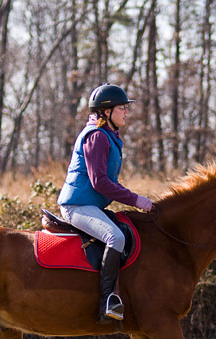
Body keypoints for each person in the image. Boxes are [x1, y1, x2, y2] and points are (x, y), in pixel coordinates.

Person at [58, 83, 153, 323]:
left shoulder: (109, 135)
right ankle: (107, 301)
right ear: (106, 111)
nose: (126, 112)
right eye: (122, 108)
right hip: (76, 206)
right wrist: (136, 200)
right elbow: (99, 182)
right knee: (116, 237)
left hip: (91, 205)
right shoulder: (97, 137)